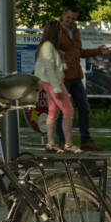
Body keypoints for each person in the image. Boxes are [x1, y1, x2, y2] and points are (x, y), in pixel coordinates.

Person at [56, 6, 111, 149]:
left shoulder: (75, 31)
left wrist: (99, 51)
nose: (70, 21)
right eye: (68, 18)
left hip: (75, 76)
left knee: (84, 107)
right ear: (63, 15)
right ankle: (62, 141)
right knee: (62, 110)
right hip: (61, 76)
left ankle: (85, 141)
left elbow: (80, 52)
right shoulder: (55, 30)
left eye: (73, 19)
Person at [33, 22, 77, 153]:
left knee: (53, 113)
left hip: (50, 82)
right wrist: (57, 88)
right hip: (53, 83)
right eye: (60, 31)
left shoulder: (48, 46)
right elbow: (49, 68)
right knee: (68, 111)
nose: (61, 33)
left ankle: (51, 144)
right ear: (55, 31)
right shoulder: (48, 46)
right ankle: (69, 144)